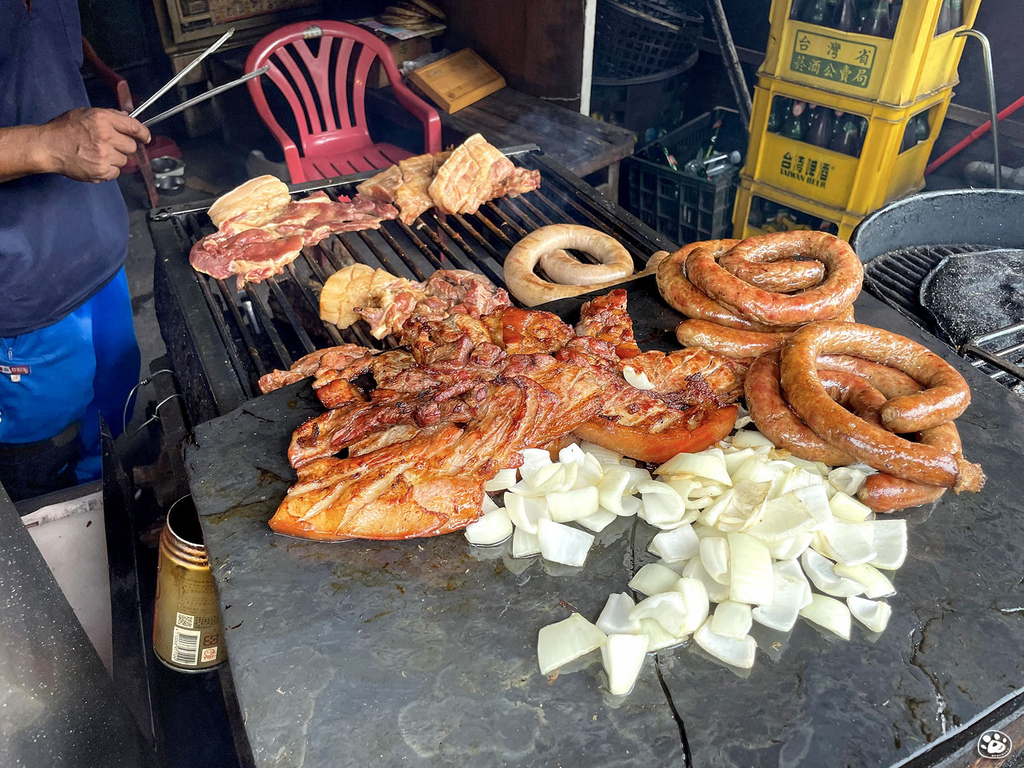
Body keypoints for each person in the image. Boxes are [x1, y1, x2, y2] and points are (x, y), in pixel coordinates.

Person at [0, 0, 152, 501]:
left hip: (95, 245)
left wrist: (102, 74)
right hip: (19, 284)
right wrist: (46, 142)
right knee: (45, 462)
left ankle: (119, 514)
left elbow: (37, 39)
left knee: (115, 413)